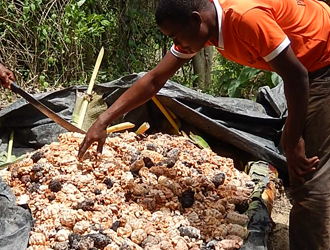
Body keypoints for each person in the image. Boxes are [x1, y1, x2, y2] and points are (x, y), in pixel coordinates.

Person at [78, 0, 330, 248]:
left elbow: (297, 75)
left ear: (196, 20)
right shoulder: (203, 30)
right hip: (304, 67)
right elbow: (154, 80)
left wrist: (294, 137)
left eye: (176, 36)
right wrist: (103, 120)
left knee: (307, 177)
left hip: (321, 63)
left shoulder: (244, 17)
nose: (176, 44)